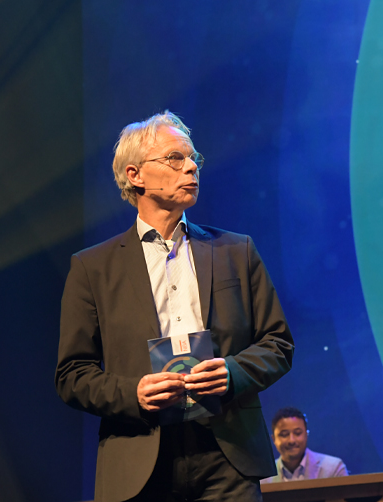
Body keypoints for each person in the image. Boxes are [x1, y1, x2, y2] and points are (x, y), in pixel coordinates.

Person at [55, 111, 294, 502]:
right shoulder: (93, 268)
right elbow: (72, 375)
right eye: (175, 158)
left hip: (227, 455)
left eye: (193, 159)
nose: (191, 168)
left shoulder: (236, 250)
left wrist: (232, 373)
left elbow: (278, 344)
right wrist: (135, 393)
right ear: (135, 175)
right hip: (140, 455)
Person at [261, 407, 349, 483]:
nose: (291, 440)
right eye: (284, 434)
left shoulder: (333, 468)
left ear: (306, 435)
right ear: (273, 439)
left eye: (297, 433)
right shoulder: (264, 477)